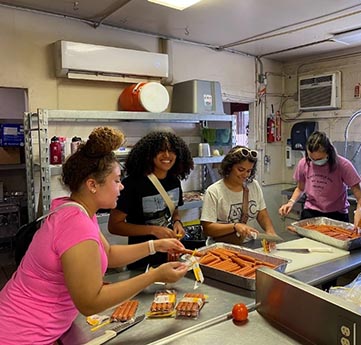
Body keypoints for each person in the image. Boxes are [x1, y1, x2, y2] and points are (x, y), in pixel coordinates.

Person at [0, 127, 188, 345]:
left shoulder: (75, 209)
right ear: (92, 185)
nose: (121, 186)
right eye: (116, 180)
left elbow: (108, 253)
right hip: (20, 335)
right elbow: (90, 302)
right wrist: (154, 275)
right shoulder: (76, 225)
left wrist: (156, 245)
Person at [108, 131, 194, 270]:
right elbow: (114, 226)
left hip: (169, 256)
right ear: (148, 154)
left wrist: (177, 221)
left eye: (171, 150)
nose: (167, 155)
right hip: (141, 261)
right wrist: (153, 230)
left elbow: (174, 210)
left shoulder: (174, 181)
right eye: (160, 150)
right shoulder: (132, 184)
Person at [279, 131, 361, 223]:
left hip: (336, 214)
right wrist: (291, 202)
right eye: (312, 158)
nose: (315, 161)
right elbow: (300, 188)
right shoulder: (304, 163)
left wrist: (359, 211)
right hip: (311, 212)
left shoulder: (343, 165)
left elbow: (359, 195)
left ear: (328, 153)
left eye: (319, 159)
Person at [201, 146, 278, 244]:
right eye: (241, 169)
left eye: (248, 171)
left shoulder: (253, 186)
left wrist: (270, 231)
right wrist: (235, 226)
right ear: (229, 167)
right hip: (222, 248)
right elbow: (208, 228)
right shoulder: (214, 191)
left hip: (248, 244)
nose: (245, 175)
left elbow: (262, 214)